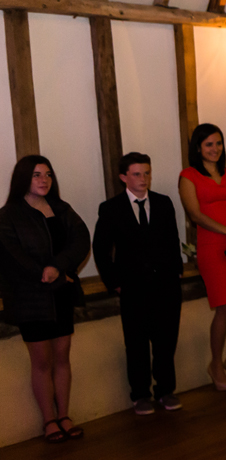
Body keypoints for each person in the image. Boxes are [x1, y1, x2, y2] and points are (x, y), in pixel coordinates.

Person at [0, 156, 90, 442]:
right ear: (23, 178)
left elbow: (81, 240)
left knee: (62, 357)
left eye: (48, 174)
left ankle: (64, 415)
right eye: (37, 175)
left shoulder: (61, 208)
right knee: (41, 361)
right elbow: (11, 255)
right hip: (30, 298)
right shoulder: (8, 215)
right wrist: (44, 273)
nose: (44, 180)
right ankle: (49, 421)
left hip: (61, 292)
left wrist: (59, 268)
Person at [93, 153, 185, 415]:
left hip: (166, 285)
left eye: (147, 173)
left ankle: (166, 390)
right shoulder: (111, 208)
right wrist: (115, 283)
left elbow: (172, 240)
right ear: (123, 177)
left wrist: (176, 271)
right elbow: (100, 249)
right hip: (133, 287)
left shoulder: (163, 203)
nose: (143, 179)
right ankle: (141, 394)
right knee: (136, 343)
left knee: (166, 341)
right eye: (136, 174)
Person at [179, 124, 226, 391]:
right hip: (212, 246)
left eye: (218, 143)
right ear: (198, 147)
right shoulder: (188, 176)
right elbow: (196, 215)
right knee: (225, 307)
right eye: (209, 144)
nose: (215, 149)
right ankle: (215, 364)